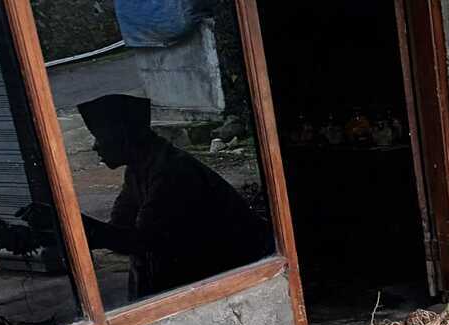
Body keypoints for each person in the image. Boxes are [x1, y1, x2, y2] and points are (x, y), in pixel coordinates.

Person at [30, 94, 272, 302]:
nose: (95, 147)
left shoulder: (170, 173)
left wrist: (68, 223)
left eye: (100, 138)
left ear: (124, 139)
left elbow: (141, 241)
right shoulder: (141, 168)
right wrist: (52, 232)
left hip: (235, 272)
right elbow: (118, 230)